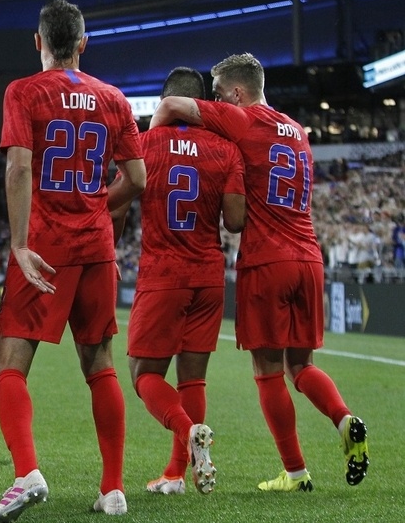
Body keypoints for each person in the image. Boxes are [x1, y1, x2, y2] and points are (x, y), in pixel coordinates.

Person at [151, 53, 369, 492]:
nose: (215, 103)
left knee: (268, 368)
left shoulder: (243, 121)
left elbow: (173, 105)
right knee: (302, 364)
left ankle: (295, 472)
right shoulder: (298, 131)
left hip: (267, 258)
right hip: (309, 256)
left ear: (236, 93)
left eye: (218, 96)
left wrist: (156, 150)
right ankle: (344, 418)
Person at [0, 0, 146, 523]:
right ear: (82, 42)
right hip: (96, 247)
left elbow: (19, 169)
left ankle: (27, 473)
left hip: (45, 248)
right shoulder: (114, 97)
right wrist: (99, 206)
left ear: (37, 42)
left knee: (10, 363)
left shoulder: (24, 92)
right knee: (99, 366)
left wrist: (19, 243)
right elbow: (138, 180)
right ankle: (114, 488)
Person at [111, 67, 246, 496]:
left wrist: (109, 251)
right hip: (209, 275)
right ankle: (175, 474)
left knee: (144, 374)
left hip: (163, 271)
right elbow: (236, 220)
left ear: (165, 102)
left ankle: (189, 432)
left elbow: (118, 205)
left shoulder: (145, 145)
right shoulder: (227, 150)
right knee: (193, 379)